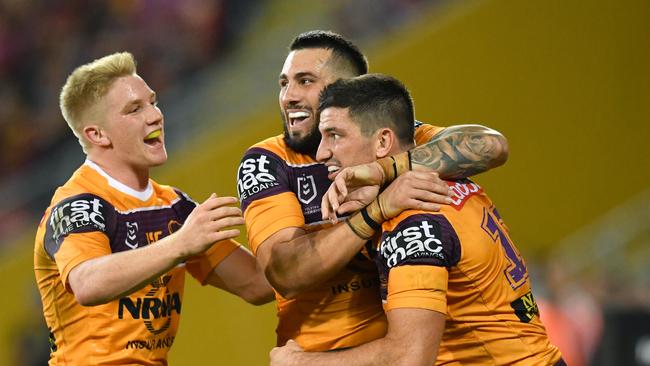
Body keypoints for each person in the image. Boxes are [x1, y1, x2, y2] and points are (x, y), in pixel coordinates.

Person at [237, 30, 509, 351]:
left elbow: (491, 145)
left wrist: (383, 169)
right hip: (320, 356)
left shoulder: (387, 139)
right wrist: (377, 210)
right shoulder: (268, 162)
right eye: (284, 83)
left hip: (398, 347)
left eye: (305, 81)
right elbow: (284, 274)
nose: (288, 96)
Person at [269, 74, 564, 365]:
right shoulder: (447, 174)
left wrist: (302, 363)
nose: (321, 152)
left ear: (383, 141)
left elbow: (408, 358)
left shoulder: (414, 222)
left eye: (335, 135)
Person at [34, 52, 274, 365]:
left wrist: (340, 227)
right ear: (97, 134)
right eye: (134, 109)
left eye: (152, 102)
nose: (155, 115)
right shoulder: (77, 204)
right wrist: (180, 244)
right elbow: (88, 283)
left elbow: (255, 283)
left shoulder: (173, 206)